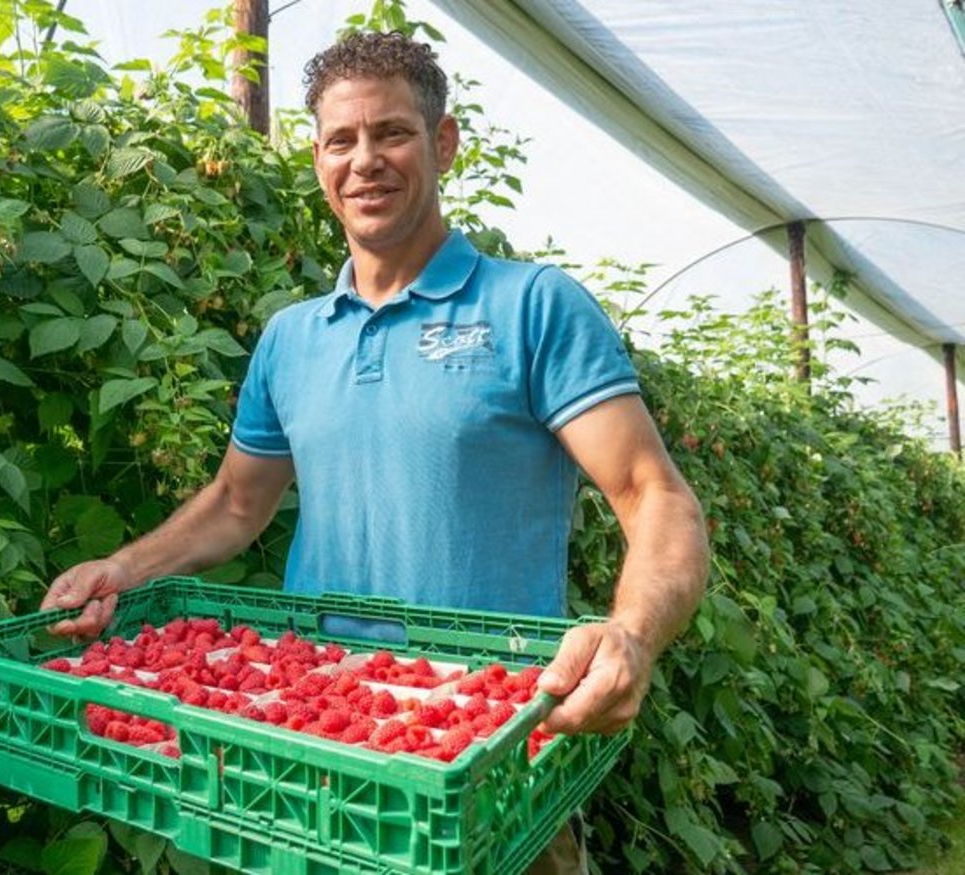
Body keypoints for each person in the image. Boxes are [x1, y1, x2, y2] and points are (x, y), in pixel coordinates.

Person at [40, 29, 708, 874]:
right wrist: (123, 569)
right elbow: (238, 503)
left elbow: (656, 495)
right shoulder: (290, 339)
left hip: (485, 753)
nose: (366, 161)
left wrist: (632, 636)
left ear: (445, 143)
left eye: (392, 132)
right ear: (317, 161)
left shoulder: (534, 307)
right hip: (304, 750)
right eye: (340, 141)